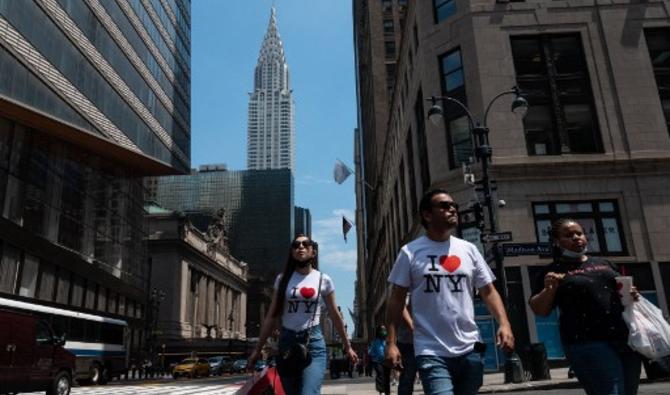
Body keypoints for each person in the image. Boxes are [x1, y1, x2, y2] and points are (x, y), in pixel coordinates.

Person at [385, 189, 515, 395]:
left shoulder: (469, 249)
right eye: (444, 206)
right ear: (427, 215)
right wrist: (391, 343)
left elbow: (488, 291)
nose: (452, 209)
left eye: (453, 205)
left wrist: (504, 323)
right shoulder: (409, 252)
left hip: (471, 348)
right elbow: (396, 300)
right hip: (430, 350)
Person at [529, 218, 641, 395]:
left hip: (625, 339)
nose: (576, 237)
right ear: (557, 242)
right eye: (568, 235)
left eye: (579, 233)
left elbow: (622, 295)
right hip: (587, 342)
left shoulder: (605, 263)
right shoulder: (552, 270)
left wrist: (632, 294)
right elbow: (539, 310)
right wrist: (549, 289)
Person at [247, 234, 358, 394]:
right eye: (296, 245)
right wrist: (258, 349)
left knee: (308, 392)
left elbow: (335, 315)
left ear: (313, 252)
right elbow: (271, 315)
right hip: (287, 344)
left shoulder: (323, 279)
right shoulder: (282, 279)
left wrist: (348, 347)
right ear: (292, 252)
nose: (300, 247)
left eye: (306, 244)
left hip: (313, 343)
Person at [397, 301, 417, 395]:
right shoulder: (402, 287)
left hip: (427, 338)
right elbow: (400, 305)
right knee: (407, 378)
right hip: (408, 341)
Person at [368, 325, 391, 395]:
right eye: (382, 330)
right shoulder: (375, 341)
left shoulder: (387, 340)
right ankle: (381, 390)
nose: (383, 331)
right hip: (377, 361)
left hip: (386, 361)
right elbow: (370, 351)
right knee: (380, 374)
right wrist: (374, 356)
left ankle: (387, 391)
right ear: (378, 331)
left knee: (387, 376)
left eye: (384, 330)